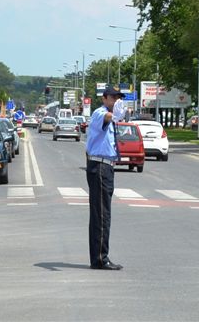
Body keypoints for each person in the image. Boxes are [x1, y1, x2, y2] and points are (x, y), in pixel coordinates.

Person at [85, 85, 126, 270]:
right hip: (100, 166)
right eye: (113, 97)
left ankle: (99, 256)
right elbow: (107, 118)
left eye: (118, 98)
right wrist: (114, 115)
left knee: (101, 214)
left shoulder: (111, 116)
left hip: (105, 167)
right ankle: (101, 258)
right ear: (104, 98)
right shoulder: (99, 113)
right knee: (102, 215)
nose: (115, 101)